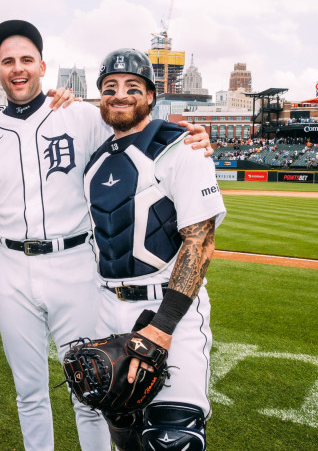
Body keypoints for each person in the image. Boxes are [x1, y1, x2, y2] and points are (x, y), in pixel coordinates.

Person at [0, 21, 212, 451]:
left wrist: (195, 137)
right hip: (11, 264)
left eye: (27, 59)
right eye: (8, 61)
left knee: (96, 387)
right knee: (32, 389)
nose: (18, 68)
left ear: (43, 66)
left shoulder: (81, 116)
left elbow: (140, 130)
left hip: (76, 264)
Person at [83, 48, 226, 451]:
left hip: (169, 310)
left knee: (172, 441)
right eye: (110, 87)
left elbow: (201, 241)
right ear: (100, 98)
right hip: (109, 312)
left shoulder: (183, 148)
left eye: (133, 86)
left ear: (150, 96)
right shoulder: (95, 160)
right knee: (124, 435)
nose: (120, 94)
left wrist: (162, 328)